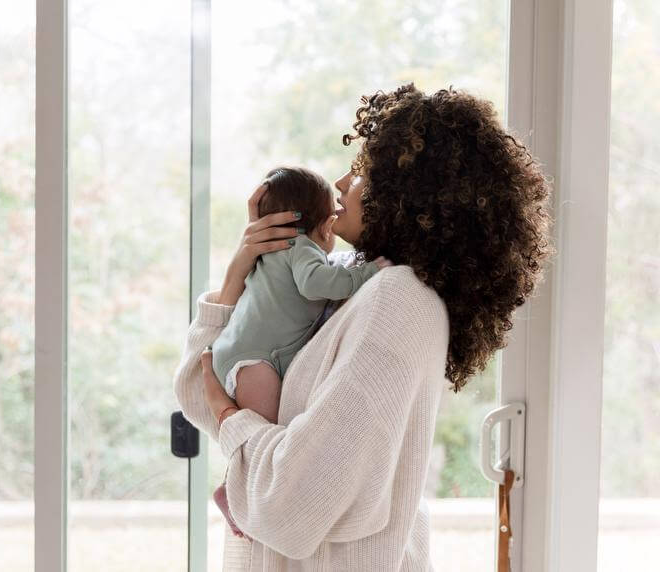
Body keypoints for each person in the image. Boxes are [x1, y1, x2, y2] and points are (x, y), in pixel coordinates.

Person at [172, 83, 552, 570]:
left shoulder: (399, 301)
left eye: (364, 171)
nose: (342, 182)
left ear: (410, 194)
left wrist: (231, 419)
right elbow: (197, 394)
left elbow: (292, 504)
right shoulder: (348, 287)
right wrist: (241, 276)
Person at [208, 166, 392, 539]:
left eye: (357, 176)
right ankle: (235, 491)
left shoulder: (282, 252)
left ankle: (236, 489)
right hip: (253, 360)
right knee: (267, 442)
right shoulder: (302, 249)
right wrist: (367, 273)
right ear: (323, 225)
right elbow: (315, 284)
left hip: (246, 354)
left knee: (265, 438)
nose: (343, 183)